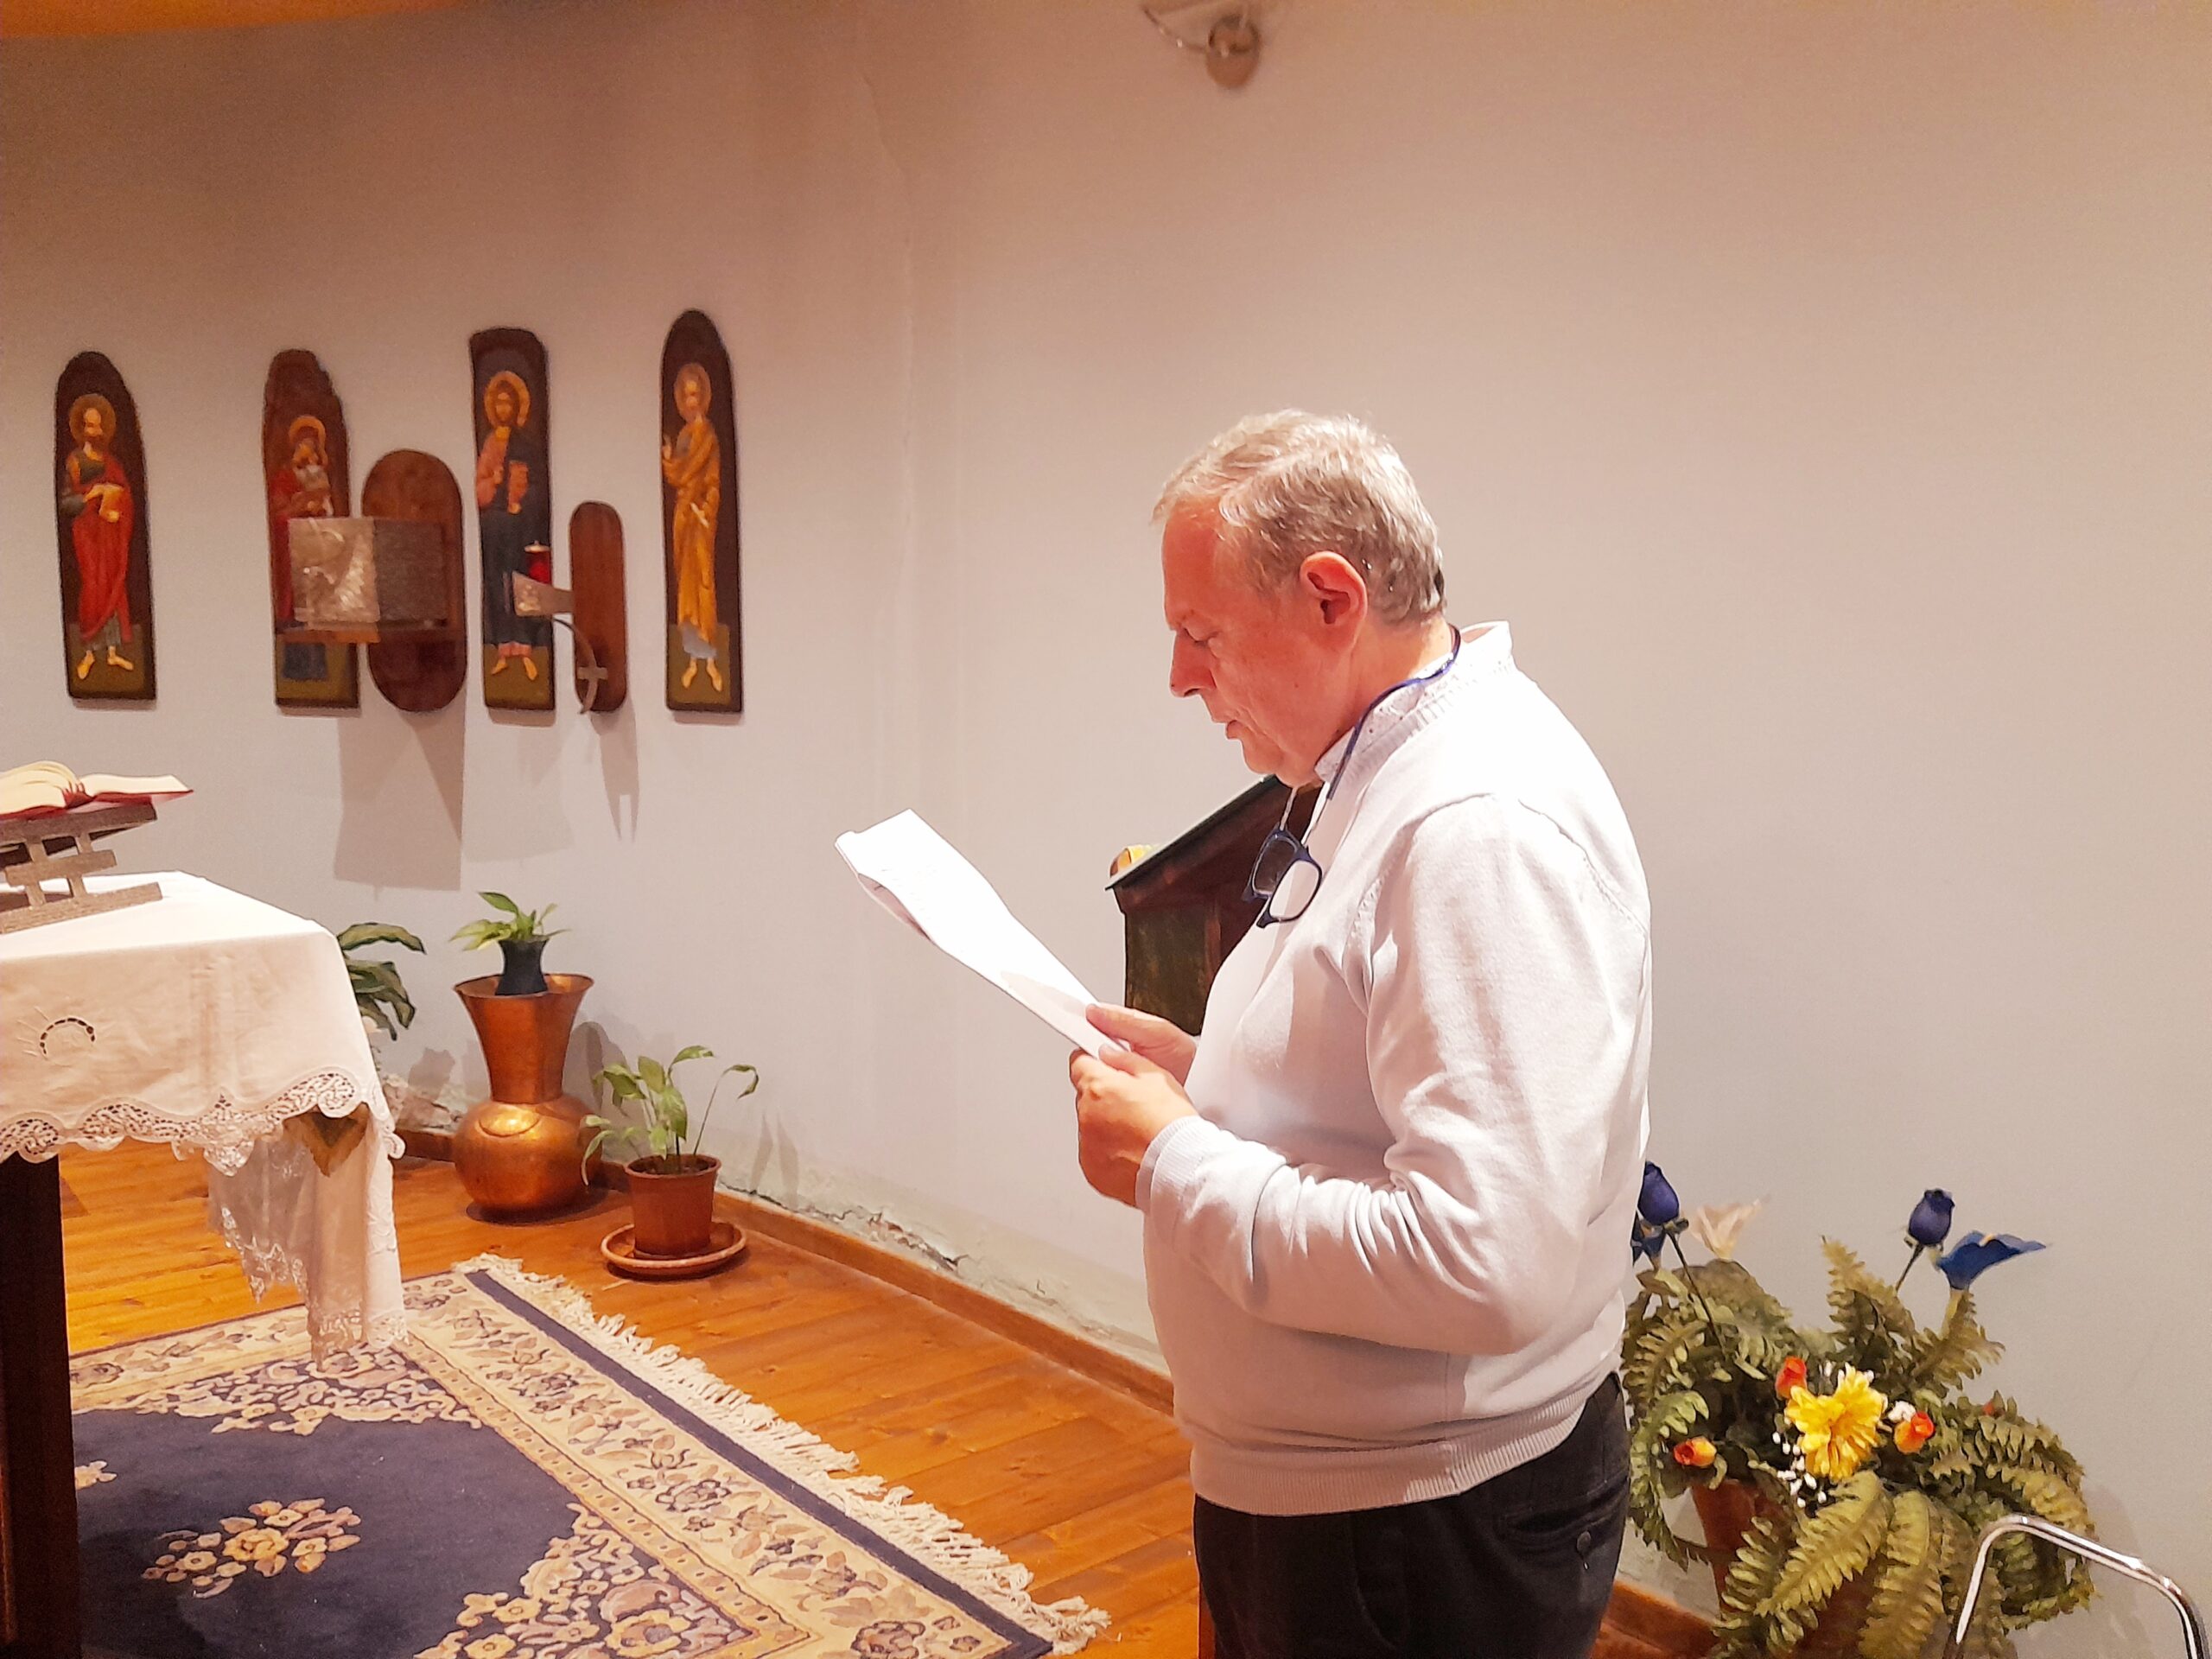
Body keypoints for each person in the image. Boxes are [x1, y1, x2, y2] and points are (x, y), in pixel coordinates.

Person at [1069, 411, 1650, 1657]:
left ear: (1331, 598)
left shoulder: (1476, 826)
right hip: (1354, 1501)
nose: (1179, 677)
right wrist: (1212, 1082)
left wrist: (1173, 1159)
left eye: (1201, 633)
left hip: (1411, 1529)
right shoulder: (1385, 760)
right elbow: (1380, 1079)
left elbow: (1481, 1260)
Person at [474, 370, 550, 680]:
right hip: (494, 525)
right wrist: (492, 483)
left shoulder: (526, 445)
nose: (503, 409)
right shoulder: (490, 444)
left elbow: (539, 488)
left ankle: (525, 644)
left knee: (519, 581)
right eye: (499, 403)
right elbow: (479, 486)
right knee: (496, 582)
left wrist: (523, 503)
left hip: (519, 525)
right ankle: (503, 646)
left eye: (508, 403)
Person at [60, 394, 137, 682]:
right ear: (82, 429)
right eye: (90, 426)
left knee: (114, 586)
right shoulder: (74, 463)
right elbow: (66, 502)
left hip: (109, 534)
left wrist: (116, 501)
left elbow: (125, 495)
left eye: (99, 425)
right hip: (88, 535)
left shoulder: (111, 462)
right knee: (93, 586)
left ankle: (113, 651)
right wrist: (91, 495)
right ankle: (90, 652)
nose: (96, 431)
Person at [661, 362, 725, 693]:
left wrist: (707, 509)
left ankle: (710, 657)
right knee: (684, 584)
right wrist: (667, 458)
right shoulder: (685, 435)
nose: (691, 402)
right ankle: (690, 658)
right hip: (683, 516)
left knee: (703, 579)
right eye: (686, 396)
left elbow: (712, 482)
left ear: (703, 398)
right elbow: (676, 475)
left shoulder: (709, 438)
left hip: (700, 518)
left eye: (695, 395)